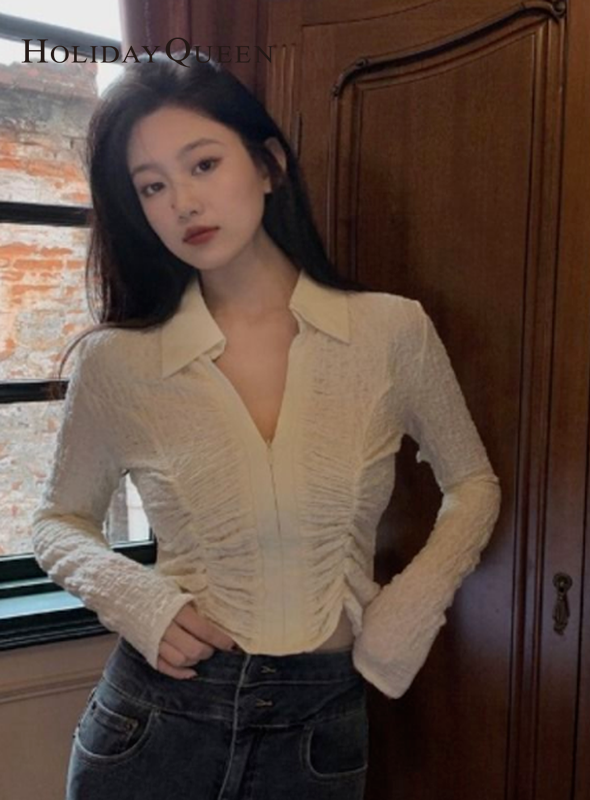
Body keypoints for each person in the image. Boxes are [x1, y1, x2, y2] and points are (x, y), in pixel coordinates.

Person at [31, 52, 502, 800]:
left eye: (204, 164)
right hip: (159, 723)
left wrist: (407, 610)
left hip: (319, 724)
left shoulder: (390, 332)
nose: (183, 202)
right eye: (152, 186)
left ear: (269, 165)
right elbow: (58, 522)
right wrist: (139, 601)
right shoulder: (119, 362)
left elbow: (473, 484)